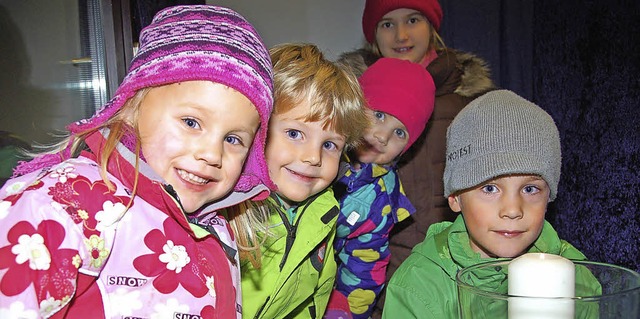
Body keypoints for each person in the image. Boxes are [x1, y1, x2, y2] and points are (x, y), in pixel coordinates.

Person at [0, 5, 275, 318]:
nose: (212, 154)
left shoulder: (216, 226)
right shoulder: (61, 204)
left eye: (233, 139)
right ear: (132, 107)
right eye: (190, 122)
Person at [382, 90, 601, 318]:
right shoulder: (420, 287)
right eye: (489, 188)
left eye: (530, 189)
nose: (513, 210)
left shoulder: (575, 280)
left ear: (549, 198)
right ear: (455, 198)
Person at [338, 1, 496, 315]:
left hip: (452, 266)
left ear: (433, 27)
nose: (401, 34)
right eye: (387, 24)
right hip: (377, 270)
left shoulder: (470, 102)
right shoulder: (349, 98)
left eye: (413, 19)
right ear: (373, 34)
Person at [235, 43, 369, 319]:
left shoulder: (323, 212)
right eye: (295, 133)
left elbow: (316, 296)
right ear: (256, 127)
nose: (313, 157)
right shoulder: (231, 211)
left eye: (330, 144)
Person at [324, 58, 435, 319]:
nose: (383, 136)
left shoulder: (380, 199)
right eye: (379, 115)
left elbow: (365, 264)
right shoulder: (316, 149)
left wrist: (349, 313)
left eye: (400, 133)